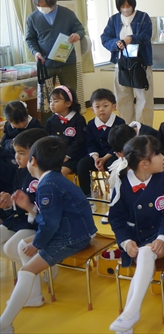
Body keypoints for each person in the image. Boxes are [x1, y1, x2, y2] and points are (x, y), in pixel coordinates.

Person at [0, 136, 96, 333]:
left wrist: (37, 244)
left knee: (26, 271)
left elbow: (50, 224)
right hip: (75, 230)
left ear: (33, 160)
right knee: (22, 246)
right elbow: (49, 218)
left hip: (73, 235)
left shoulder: (47, 185)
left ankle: (4, 324)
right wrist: (28, 206)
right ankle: (33, 295)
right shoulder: (53, 179)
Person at [107, 135, 164, 333]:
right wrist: (125, 241)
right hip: (136, 238)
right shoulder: (122, 183)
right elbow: (116, 218)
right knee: (143, 253)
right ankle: (128, 318)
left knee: (146, 252)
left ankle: (130, 313)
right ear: (144, 164)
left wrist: (162, 238)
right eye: (158, 154)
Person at [100, 0, 155, 126]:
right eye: (122, 6)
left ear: (133, 4)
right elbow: (105, 38)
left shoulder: (143, 17)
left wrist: (130, 39)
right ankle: (127, 129)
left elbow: (146, 36)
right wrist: (116, 43)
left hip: (140, 64)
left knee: (144, 99)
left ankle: (143, 129)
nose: (125, 9)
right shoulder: (113, 20)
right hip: (121, 64)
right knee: (123, 99)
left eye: (128, 5)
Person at [0, 129, 47, 274]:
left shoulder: (44, 178)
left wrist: (27, 206)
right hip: (18, 219)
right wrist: (9, 202)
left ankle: (41, 266)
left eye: (21, 153)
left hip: (35, 224)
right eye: (16, 152)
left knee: (11, 247)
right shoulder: (20, 172)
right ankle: (34, 268)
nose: (16, 157)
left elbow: (44, 212)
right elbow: (17, 199)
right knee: (9, 247)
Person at [25, 0, 85, 97]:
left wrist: (77, 35)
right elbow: (30, 39)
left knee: (70, 95)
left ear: (52, 2)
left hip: (67, 63)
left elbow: (80, 29)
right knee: (47, 97)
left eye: (45, 5)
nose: (42, 8)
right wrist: (36, 52)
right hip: (45, 63)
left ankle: (71, 109)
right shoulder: (32, 18)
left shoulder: (67, 14)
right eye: (39, 6)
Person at [75, 88, 125, 196]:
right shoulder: (91, 124)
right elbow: (90, 143)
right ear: (92, 109)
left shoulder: (120, 122)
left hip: (113, 154)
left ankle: (114, 193)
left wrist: (104, 158)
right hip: (96, 155)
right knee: (82, 165)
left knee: (112, 165)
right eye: (97, 106)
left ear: (114, 107)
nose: (101, 109)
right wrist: (96, 158)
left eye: (105, 105)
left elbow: (119, 144)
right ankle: (86, 195)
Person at [44, 86, 86, 177]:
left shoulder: (78, 120)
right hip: (56, 156)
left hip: (73, 156)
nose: (52, 104)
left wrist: (67, 155)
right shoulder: (50, 121)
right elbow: (48, 140)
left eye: (56, 101)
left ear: (68, 103)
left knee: (60, 173)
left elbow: (79, 141)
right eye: (50, 101)